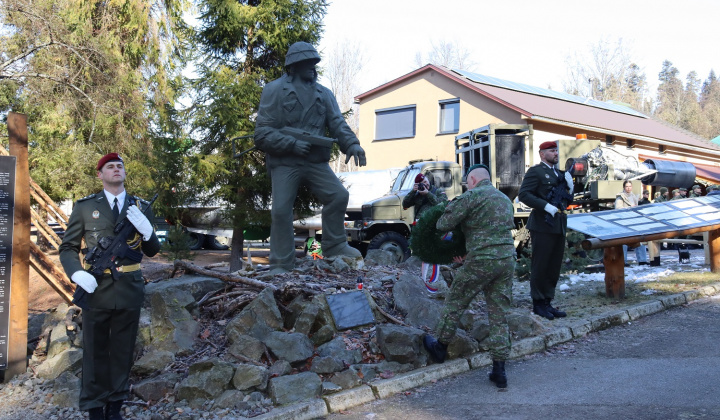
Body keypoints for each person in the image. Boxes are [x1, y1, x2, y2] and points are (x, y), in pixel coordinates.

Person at [59, 153, 160, 420]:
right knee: (95, 349)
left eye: (120, 166)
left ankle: (115, 403)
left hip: (129, 286)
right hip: (97, 287)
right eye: (110, 167)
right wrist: (77, 273)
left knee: (123, 349)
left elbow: (152, 250)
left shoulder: (141, 206)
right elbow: (68, 247)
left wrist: (147, 230)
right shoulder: (84, 207)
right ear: (100, 175)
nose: (116, 169)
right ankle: (94, 406)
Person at [254, 42, 366, 274]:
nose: (313, 68)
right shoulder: (274, 90)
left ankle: (335, 246)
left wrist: (352, 144)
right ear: (293, 67)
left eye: (315, 63)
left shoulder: (324, 93)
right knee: (281, 209)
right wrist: (292, 144)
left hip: (315, 161)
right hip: (286, 162)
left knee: (338, 195)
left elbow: (337, 123)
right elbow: (262, 133)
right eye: (308, 64)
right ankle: (281, 263)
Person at [422, 164, 515, 388]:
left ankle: (440, 347)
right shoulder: (505, 199)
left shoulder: (472, 196)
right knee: (499, 314)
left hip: (481, 261)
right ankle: (499, 369)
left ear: (472, 179)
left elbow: (444, 223)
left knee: (456, 301)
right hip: (506, 260)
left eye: (466, 182)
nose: (466, 185)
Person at [518, 141, 573, 320]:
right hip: (543, 223)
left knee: (553, 265)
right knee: (541, 264)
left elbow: (566, 199)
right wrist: (545, 206)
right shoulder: (536, 171)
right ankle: (538, 303)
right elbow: (524, 194)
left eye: (556, 150)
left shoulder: (560, 173)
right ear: (542, 154)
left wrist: (570, 188)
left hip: (558, 223)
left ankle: (548, 301)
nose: (555, 153)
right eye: (551, 151)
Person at [614, 180, 649, 266]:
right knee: (624, 243)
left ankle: (642, 260)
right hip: (623, 222)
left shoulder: (634, 196)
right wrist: (629, 207)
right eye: (627, 186)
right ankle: (623, 261)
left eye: (630, 186)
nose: (628, 188)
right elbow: (618, 209)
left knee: (640, 240)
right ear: (624, 187)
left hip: (634, 221)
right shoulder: (620, 197)